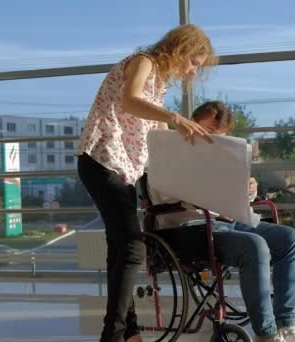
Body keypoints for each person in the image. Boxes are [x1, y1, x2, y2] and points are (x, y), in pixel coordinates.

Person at [76, 24, 216, 342]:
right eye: (194, 62)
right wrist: (177, 118)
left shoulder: (160, 84)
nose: (193, 72)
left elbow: (159, 140)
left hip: (122, 168)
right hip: (102, 159)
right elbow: (129, 101)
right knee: (133, 248)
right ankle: (113, 335)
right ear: (179, 49)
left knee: (120, 249)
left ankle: (129, 332)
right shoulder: (144, 62)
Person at [149, 101, 295, 342]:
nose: (211, 141)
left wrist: (249, 190)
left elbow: (234, 196)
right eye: (207, 133)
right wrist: (192, 198)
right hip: (189, 229)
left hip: (228, 222)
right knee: (254, 246)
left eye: (219, 138)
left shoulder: (221, 159)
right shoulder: (168, 150)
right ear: (191, 123)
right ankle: (265, 334)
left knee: (291, 240)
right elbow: (159, 193)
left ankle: (286, 326)